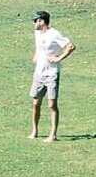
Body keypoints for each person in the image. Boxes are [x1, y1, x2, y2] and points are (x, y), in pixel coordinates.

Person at [30, 11, 74, 142]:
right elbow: (39, 47)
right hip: (39, 73)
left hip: (51, 74)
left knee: (51, 105)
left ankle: (52, 135)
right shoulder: (37, 33)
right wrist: (36, 56)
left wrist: (59, 58)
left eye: (35, 20)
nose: (34, 23)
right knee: (35, 103)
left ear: (42, 21)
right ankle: (34, 131)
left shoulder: (54, 34)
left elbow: (70, 46)